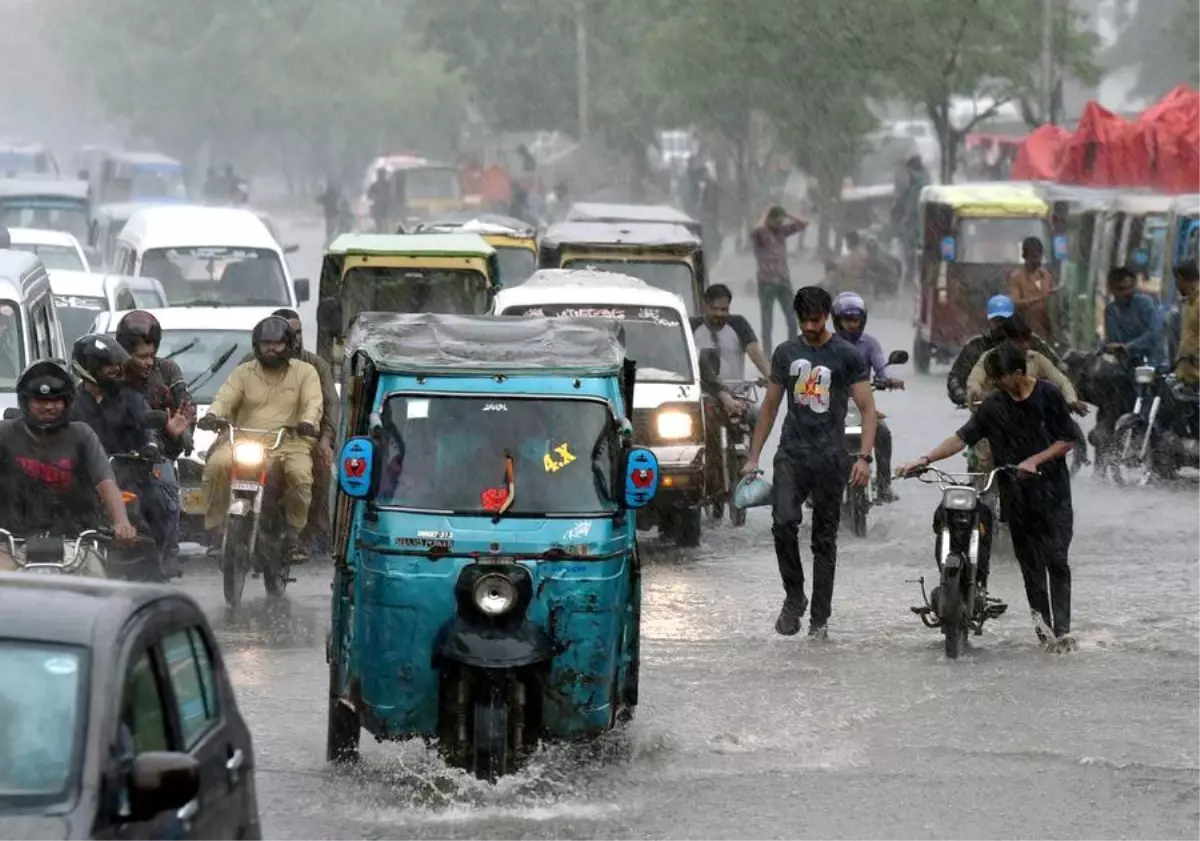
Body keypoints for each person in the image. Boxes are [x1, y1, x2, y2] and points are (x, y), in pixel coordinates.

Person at [898, 343, 1077, 650]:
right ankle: (1045, 635)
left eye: (1000, 378)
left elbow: (1067, 439)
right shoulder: (994, 406)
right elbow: (961, 438)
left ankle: (1063, 632)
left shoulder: (1048, 395)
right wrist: (925, 459)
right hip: (1016, 497)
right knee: (1031, 569)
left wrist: (1035, 460)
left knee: (1057, 560)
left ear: (1018, 374)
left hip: (1053, 493)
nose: (995, 384)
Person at [742, 286, 878, 640]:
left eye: (816, 320)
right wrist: (753, 457)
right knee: (783, 523)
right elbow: (770, 406)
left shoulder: (847, 356)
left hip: (831, 458)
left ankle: (820, 621)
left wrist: (864, 457)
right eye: (804, 320)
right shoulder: (787, 353)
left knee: (824, 542)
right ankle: (794, 597)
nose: (810, 327)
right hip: (791, 454)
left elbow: (867, 409)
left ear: (827, 317)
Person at [198, 316, 323, 562]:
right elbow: (225, 397)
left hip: (290, 441)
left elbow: (313, 403)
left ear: (289, 345)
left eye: (277, 344)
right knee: (215, 466)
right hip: (244, 439)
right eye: (266, 343)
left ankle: (292, 534)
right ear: (256, 345)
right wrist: (213, 414)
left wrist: (308, 421)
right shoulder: (243, 372)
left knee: (300, 476)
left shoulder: (306, 372)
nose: (271, 349)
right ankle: (216, 530)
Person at [0, 361, 136, 572]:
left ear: (67, 402)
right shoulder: (4, 434)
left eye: (56, 400)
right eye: (40, 400)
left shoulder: (82, 435)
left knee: (95, 581)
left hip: (76, 541)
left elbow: (106, 482)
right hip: (10, 542)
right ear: (25, 402)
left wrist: (121, 523)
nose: (48, 406)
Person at [69, 334, 175, 578]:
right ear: (89, 368)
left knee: (158, 504)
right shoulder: (69, 403)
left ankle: (158, 570)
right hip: (79, 481)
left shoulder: (132, 399)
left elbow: (148, 426)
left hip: (128, 477)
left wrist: (150, 445)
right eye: (108, 366)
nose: (116, 370)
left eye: (117, 365)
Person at [238, 308, 339, 554]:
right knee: (221, 463)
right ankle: (227, 532)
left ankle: (310, 534)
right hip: (257, 437)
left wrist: (325, 440)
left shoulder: (315, 366)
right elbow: (232, 397)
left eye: (298, 332)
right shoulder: (249, 363)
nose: (295, 337)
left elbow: (330, 406)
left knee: (319, 472)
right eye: (288, 332)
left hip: (302, 437)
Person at [117, 311, 195, 576]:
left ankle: (168, 551)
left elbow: (185, 410)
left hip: (154, 454)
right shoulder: (111, 373)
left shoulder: (168, 371)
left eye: (151, 355)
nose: (148, 362)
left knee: (166, 487)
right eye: (141, 357)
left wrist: (178, 434)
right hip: (113, 451)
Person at [831, 291, 903, 502]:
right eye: (847, 320)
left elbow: (881, 366)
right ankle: (813, 488)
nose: (852, 324)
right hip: (831, 409)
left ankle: (884, 486)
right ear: (837, 321)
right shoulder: (828, 344)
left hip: (862, 409)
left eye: (856, 320)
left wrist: (889, 379)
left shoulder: (870, 344)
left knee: (883, 434)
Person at [1089, 267, 1164, 468]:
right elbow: (1113, 340)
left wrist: (1129, 347)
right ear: (1112, 290)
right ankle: (1102, 461)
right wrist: (1107, 347)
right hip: (1124, 369)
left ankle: (1145, 445)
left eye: (1130, 287)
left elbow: (1153, 334)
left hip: (1149, 364)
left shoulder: (1146, 304)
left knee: (1148, 404)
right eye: (1121, 289)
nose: (1127, 292)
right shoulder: (1111, 310)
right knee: (1108, 403)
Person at [947, 294, 1061, 406]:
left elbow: (1057, 370)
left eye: (1004, 320)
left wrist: (1051, 394)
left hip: (1029, 405)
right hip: (988, 407)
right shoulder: (976, 346)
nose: (1000, 325)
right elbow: (956, 377)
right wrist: (963, 395)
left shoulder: (1031, 342)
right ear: (989, 320)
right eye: (996, 320)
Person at [751, 205, 809, 351]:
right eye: (776, 221)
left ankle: (791, 350)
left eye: (781, 222)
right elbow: (755, 229)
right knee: (767, 323)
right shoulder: (761, 234)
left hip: (784, 281)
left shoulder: (782, 232)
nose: (779, 224)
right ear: (769, 220)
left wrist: (787, 213)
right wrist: (766, 213)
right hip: (766, 283)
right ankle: (768, 354)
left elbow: (804, 223)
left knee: (792, 319)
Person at [1007, 236, 1055, 340]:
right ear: (1025, 256)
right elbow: (1015, 303)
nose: (1037, 260)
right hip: (1024, 332)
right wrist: (1039, 298)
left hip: (1045, 333)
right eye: (1033, 257)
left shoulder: (1046, 276)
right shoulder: (1016, 277)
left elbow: (1052, 303)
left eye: (1039, 256)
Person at [892, 155, 929, 285]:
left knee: (913, 252)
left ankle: (912, 277)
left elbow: (913, 207)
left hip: (917, 226)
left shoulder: (919, 185)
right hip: (919, 225)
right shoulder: (923, 181)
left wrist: (905, 220)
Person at [368, 167, 391, 233]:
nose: (381, 175)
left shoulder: (388, 184)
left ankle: (384, 231)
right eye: (380, 174)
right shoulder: (374, 185)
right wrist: (375, 197)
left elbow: (391, 194)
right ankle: (380, 231)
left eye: (382, 174)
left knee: (385, 221)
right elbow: (369, 195)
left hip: (386, 206)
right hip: (378, 206)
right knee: (379, 222)